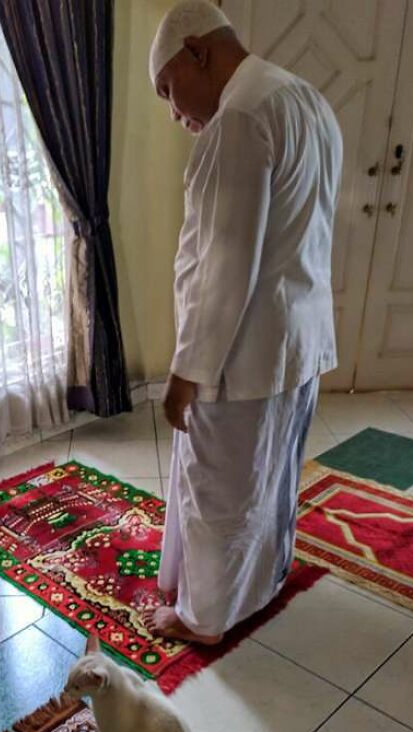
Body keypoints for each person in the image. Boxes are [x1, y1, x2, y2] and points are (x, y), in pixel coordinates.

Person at [145, 0, 343, 644]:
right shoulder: (305, 100)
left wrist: (186, 373)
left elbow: (224, 266)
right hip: (297, 342)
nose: (176, 115)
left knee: (220, 489)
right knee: (271, 478)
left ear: (198, 52)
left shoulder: (240, 118)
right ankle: (259, 585)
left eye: (171, 91)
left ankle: (203, 619)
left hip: (243, 353)